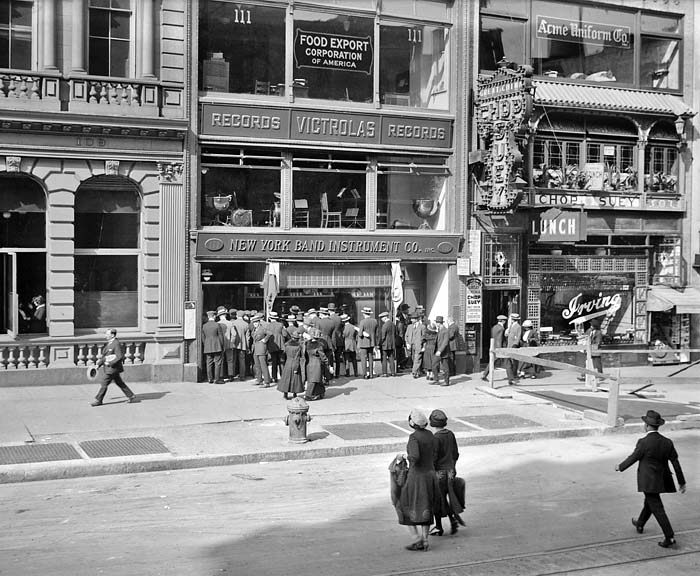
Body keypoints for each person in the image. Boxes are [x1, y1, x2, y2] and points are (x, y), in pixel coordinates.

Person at [616, 410, 686, 548]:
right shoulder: (667, 442)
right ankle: (640, 523)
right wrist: (681, 482)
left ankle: (669, 536)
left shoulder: (643, 442)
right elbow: (676, 463)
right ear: (657, 426)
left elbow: (634, 457)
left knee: (657, 507)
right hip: (661, 480)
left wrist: (620, 466)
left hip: (648, 481)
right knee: (650, 502)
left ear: (646, 426)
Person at [395, 409, 439, 551]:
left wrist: (403, 457)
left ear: (412, 423)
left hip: (417, 476)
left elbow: (414, 457)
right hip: (430, 475)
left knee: (404, 504)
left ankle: (417, 538)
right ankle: (425, 540)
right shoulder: (430, 435)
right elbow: (435, 454)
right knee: (426, 506)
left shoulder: (414, 437)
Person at [429, 409, 465, 536]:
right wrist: (453, 467)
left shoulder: (435, 438)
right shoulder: (450, 434)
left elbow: (434, 457)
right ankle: (452, 519)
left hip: (439, 473)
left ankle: (439, 526)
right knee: (446, 497)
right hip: (451, 471)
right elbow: (455, 453)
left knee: (437, 500)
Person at [91, 328, 136, 406]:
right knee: (119, 382)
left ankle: (98, 400)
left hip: (112, 368)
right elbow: (105, 356)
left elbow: (119, 357)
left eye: (107, 334)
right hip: (112, 369)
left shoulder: (116, 344)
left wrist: (110, 363)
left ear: (112, 335)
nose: (105, 335)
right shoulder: (110, 343)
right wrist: (98, 364)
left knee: (104, 383)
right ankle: (131, 395)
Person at [277, 329, 304, 400]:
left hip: (288, 363)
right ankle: (294, 394)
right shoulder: (298, 347)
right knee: (295, 380)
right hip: (294, 363)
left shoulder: (286, 345)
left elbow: (283, 355)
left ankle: (285, 394)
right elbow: (298, 358)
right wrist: (296, 367)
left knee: (286, 379)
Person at [304, 328, 328, 401]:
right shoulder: (319, 345)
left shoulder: (306, 343)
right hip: (316, 363)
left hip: (308, 363)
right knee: (314, 380)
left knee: (315, 379)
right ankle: (309, 395)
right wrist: (327, 362)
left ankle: (320, 392)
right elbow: (322, 356)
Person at [202, 310, 225, 384]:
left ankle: (210, 379)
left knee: (209, 363)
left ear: (208, 317)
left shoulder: (204, 326)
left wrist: (205, 344)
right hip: (217, 346)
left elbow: (203, 337)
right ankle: (217, 379)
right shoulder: (217, 325)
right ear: (214, 316)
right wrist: (222, 345)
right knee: (217, 363)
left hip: (208, 346)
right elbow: (221, 336)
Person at [481, 315, 507, 381]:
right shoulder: (501, 328)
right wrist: (499, 348)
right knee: (493, 361)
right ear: (503, 321)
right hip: (497, 346)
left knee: (492, 361)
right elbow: (499, 339)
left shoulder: (494, 327)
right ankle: (485, 374)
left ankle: (485, 374)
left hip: (493, 345)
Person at [251, 313, 272, 387]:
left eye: (256, 322)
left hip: (262, 348)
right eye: (254, 323)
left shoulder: (262, 328)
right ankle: (259, 379)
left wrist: (265, 340)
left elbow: (270, 333)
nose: (255, 324)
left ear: (259, 322)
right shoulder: (254, 329)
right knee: (257, 365)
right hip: (255, 349)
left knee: (263, 365)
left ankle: (267, 381)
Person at [358, 307, 378, 379]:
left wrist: (361, 333)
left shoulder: (362, 322)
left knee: (363, 359)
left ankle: (365, 374)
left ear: (364, 314)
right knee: (371, 358)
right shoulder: (375, 321)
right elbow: (376, 332)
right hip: (372, 342)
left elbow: (360, 334)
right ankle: (371, 374)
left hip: (364, 343)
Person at [231, 309, 250, 381]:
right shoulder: (246, 324)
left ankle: (232, 375)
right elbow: (247, 337)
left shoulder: (233, 323)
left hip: (234, 343)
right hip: (243, 344)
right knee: (242, 360)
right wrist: (247, 347)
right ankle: (242, 376)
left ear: (237, 315)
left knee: (233, 359)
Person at [216, 307, 234, 382]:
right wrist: (232, 342)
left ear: (219, 316)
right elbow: (234, 334)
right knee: (230, 360)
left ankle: (221, 375)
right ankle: (230, 375)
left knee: (221, 360)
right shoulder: (230, 323)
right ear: (225, 315)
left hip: (220, 344)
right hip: (229, 344)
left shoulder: (217, 324)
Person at [266, 311, 285, 383]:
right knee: (281, 362)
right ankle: (282, 377)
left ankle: (274, 377)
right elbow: (285, 334)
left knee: (273, 362)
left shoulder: (268, 326)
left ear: (270, 318)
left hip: (272, 345)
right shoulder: (281, 325)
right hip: (280, 345)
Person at [405, 313, 424, 378]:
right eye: (411, 318)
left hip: (418, 345)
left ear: (417, 319)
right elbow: (406, 335)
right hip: (411, 345)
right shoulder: (409, 326)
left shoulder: (422, 327)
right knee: (414, 359)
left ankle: (414, 372)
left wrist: (424, 346)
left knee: (417, 358)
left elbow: (424, 337)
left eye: (413, 319)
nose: (411, 320)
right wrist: (407, 343)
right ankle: (418, 371)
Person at [378, 311, 396, 377]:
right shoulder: (393, 324)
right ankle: (393, 372)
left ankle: (384, 373)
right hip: (391, 344)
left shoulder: (385, 325)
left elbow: (383, 336)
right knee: (391, 358)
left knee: (384, 359)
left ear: (385, 317)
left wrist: (379, 343)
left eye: (382, 318)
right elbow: (395, 334)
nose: (381, 319)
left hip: (385, 344)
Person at [434, 316, 451, 386]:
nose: (436, 324)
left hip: (443, 352)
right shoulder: (439, 329)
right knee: (434, 365)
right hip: (438, 351)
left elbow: (445, 342)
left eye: (437, 322)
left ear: (439, 323)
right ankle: (436, 380)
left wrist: (440, 351)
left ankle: (446, 381)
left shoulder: (445, 330)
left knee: (445, 367)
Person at [505, 313, 522, 385]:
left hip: (513, 346)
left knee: (514, 362)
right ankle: (511, 377)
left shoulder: (518, 327)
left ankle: (513, 376)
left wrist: (515, 345)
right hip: (509, 346)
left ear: (513, 320)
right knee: (509, 362)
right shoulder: (511, 326)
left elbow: (518, 337)